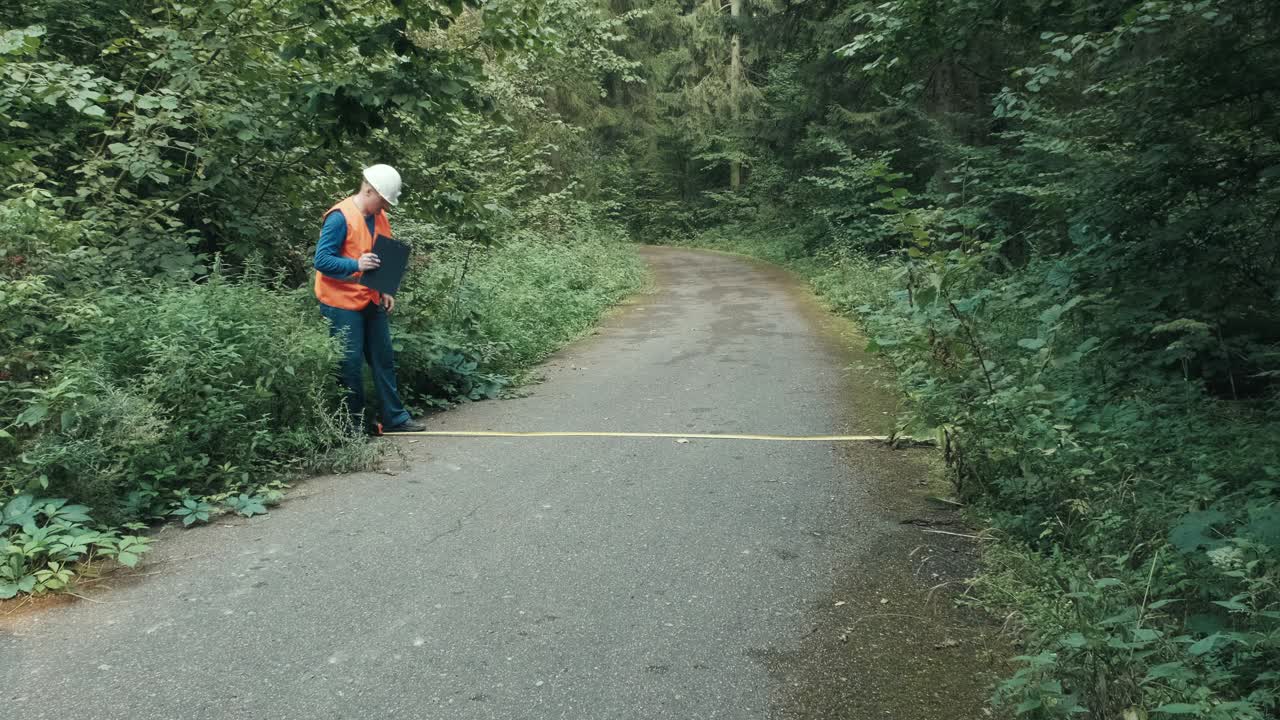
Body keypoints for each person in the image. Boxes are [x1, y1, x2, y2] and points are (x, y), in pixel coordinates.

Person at [314, 164, 425, 435]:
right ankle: (353, 426)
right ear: (369, 190)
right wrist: (356, 263)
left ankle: (395, 418)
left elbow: (382, 255)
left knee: (383, 358)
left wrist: (386, 289)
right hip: (341, 303)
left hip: (371, 299)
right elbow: (321, 260)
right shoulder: (340, 217)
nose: (385, 207)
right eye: (383, 200)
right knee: (349, 364)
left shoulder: (380, 217)